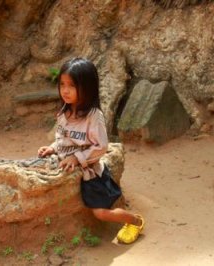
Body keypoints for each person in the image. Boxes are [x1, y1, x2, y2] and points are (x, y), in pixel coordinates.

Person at [38, 57, 144, 244]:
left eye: (72, 85)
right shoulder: (64, 111)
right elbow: (63, 138)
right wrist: (53, 148)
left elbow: (101, 146)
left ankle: (135, 221)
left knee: (101, 213)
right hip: (65, 165)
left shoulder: (94, 117)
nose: (65, 90)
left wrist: (77, 158)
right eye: (62, 84)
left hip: (91, 172)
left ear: (87, 88)